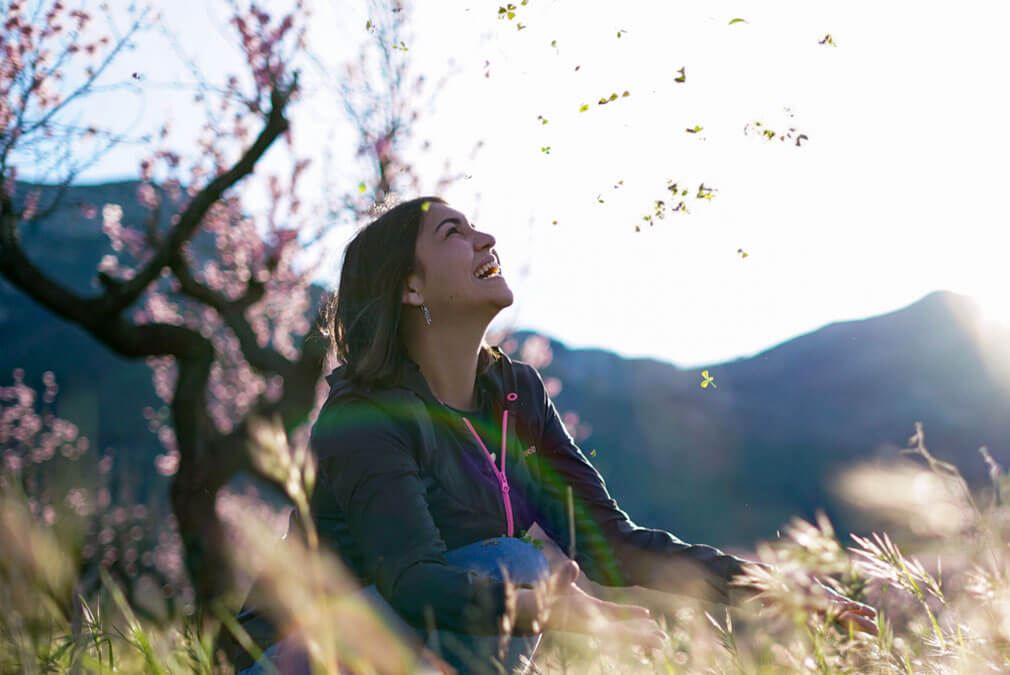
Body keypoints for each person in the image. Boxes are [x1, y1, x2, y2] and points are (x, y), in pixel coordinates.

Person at [229, 196, 876, 674]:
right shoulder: (362, 417)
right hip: (291, 657)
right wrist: (557, 612)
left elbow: (614, 547)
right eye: (454, 231)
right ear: (409, 285)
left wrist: (771, 589)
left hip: (410, 653)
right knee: (512, 563)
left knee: (511, 573)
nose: (486, 238)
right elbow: (417, 584)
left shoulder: (517, 399)